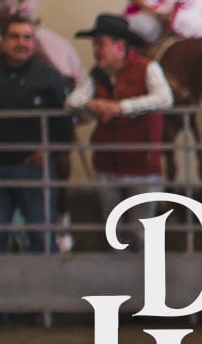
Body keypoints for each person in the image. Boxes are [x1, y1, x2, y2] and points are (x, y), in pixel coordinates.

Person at [0, 17, 72, 254]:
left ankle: (44, 288)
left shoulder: (49, 77)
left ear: (34, 42)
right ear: (2, 41)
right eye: (14, 37)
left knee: (41, 236)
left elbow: (63, 126)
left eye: (27, 37)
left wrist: (48, 152)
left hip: (34, 170)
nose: (21, 43)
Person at [68, 13, 174, 223]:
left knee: (141, 226)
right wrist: (92, 104)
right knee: (113, 225)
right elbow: (72, 101)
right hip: (107, 163)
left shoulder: (147, 68)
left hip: (141, 164)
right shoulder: (96, 75)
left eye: (100, 44)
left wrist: (121, 107)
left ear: (120, 45)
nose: (96, 50)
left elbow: (164, 99)